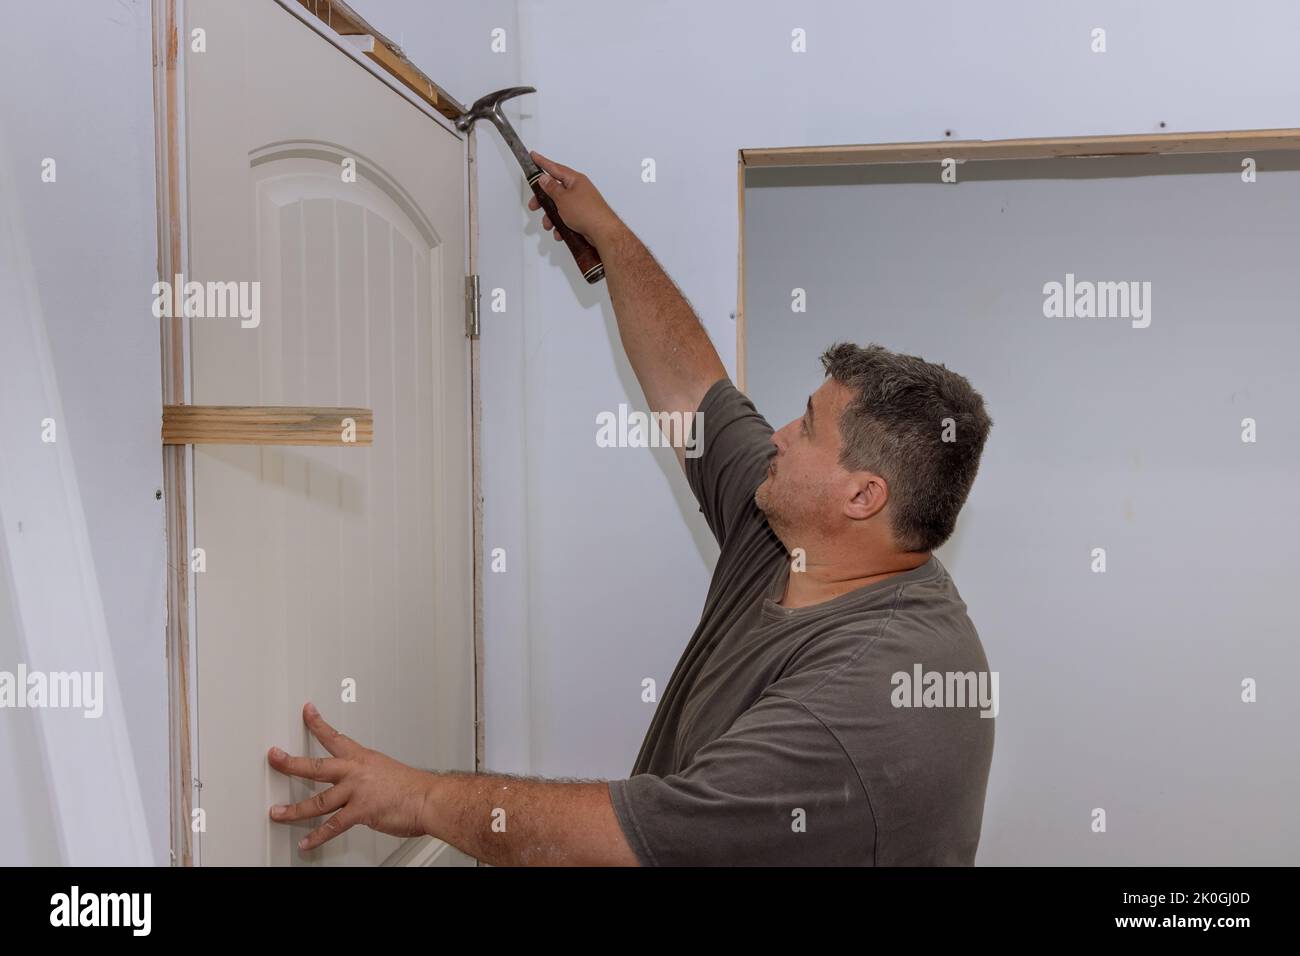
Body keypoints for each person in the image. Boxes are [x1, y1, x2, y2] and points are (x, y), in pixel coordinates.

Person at [268, 151, 995, 866]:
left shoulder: (871, 694)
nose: (778, 434)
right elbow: (691, 388)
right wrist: (607, 232)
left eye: (806, 427)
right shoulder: (789, 534)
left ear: (863, 496)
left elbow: (627, 841)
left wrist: (424, 799)